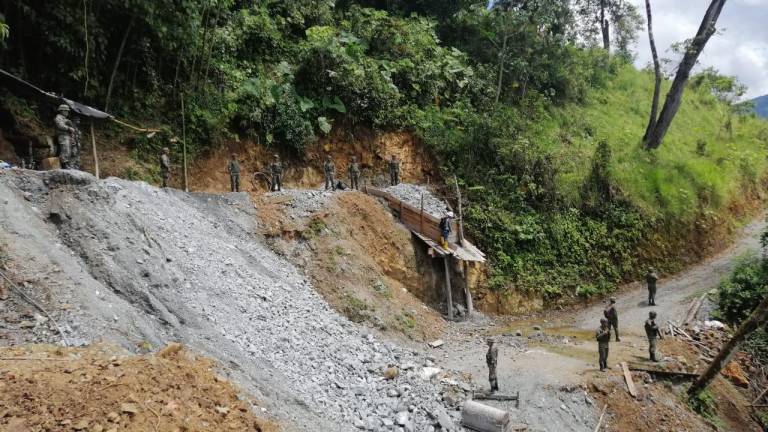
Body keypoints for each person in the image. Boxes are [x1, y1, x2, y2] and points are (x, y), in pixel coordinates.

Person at [54, 104, 77, 169]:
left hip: (67, 136)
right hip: (62, 136)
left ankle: (66, 164)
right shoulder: (58, 118)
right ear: (62, 111)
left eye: (67, 111)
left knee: (68, 150)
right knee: (65, 149)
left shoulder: (65, 119)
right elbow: (60, 125)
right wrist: (68, 128)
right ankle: (64, 165)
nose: (67, 112)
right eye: (66, 111)